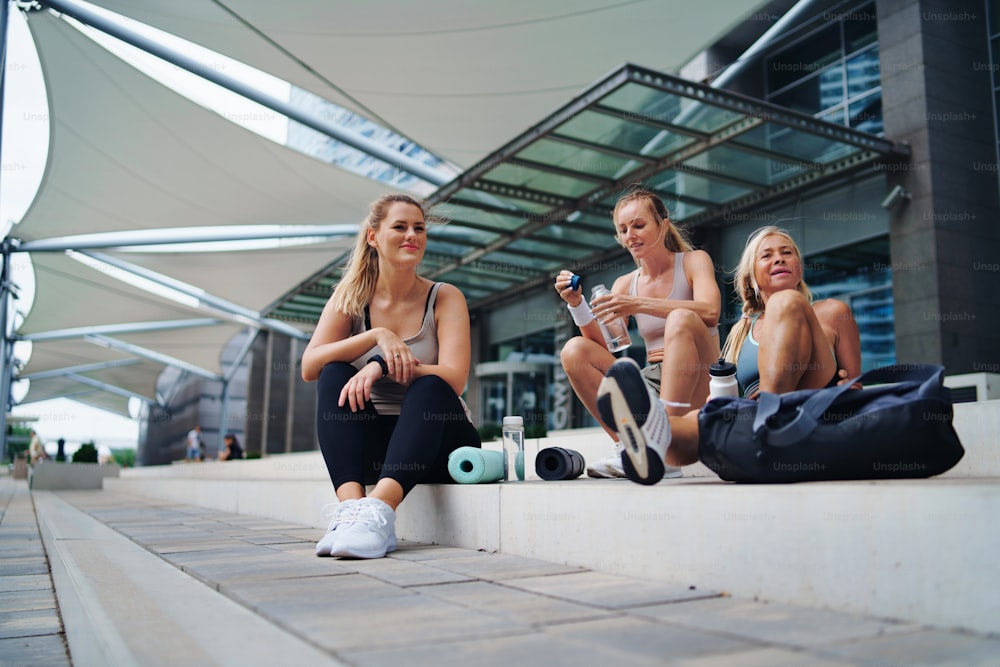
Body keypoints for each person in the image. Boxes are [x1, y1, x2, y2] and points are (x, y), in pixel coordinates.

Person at [597, 225, 861, 483]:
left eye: (787, 252)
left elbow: (856, 386)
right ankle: (653, 432)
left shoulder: (832, 312)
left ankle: (770, 417)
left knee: (786, 301)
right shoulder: (740, 331)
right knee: (693, 418)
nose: (779, 257)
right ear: (752, 278)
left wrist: (850, 386)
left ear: (799, 267)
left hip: (808, 411)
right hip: (750, 421)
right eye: (766, 255)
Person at [301, 193, 481, 559]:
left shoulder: (445, 297)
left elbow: (455, 378)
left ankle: (379, 512)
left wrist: (379, 364)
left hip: (440, 441)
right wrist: (374, 337)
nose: (412, 235)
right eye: (400, 227)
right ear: (373, 237)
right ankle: (352, 512)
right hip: (377, 452)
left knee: (432, 383)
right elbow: (310, 367)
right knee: (333, 372)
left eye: (419, 228)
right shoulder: (349, 299)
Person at [555, 185, 721, 479]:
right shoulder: (624, 284)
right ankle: (627, 447)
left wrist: (636, 303)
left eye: (639, 225)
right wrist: (577, 305)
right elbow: (604, 354)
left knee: (681, 317)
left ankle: (660, 444)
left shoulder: (694, 261)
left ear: (663, 225)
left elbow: (710, 312)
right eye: (623, 229)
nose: (630, 234)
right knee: (574, 350)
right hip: (652, 379)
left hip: (698, 377)